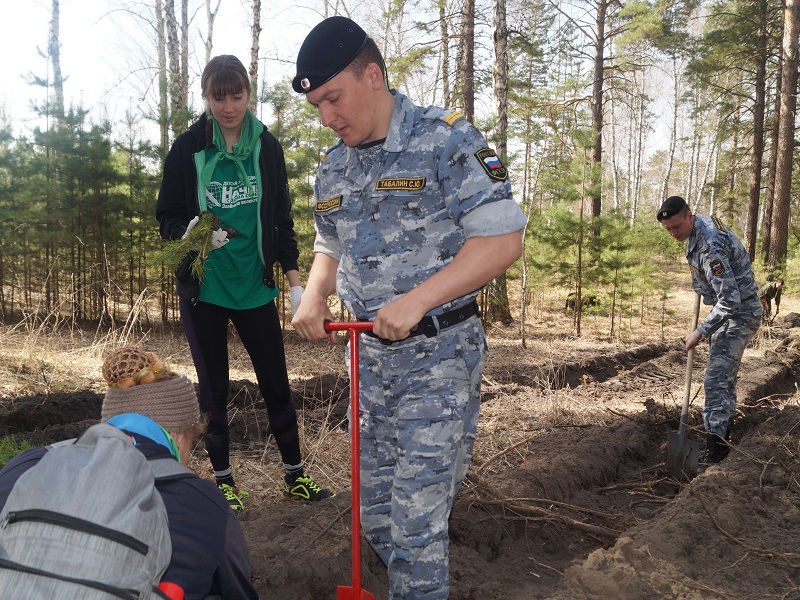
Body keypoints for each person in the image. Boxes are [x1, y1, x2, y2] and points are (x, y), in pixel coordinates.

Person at [291, 16, 526, 600]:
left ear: (373, 75)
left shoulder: (447, 140)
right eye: (317, 106)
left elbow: (502, 240)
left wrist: (418, 301)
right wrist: (317, 293)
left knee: (418, 528)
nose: (327, 117)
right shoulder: (333, 165)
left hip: (440, 359)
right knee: (376, 518)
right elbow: (330, 244)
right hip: (368, 366)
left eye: (333, 99)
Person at [156, 54, 333, 509]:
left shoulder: (266, 147)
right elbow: (168, 218)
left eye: (237, 95)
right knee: (213, 389)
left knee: (276, 381)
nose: (229, 106)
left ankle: (295, 475)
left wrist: (296, 285)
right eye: (219, 97)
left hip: (254, 287)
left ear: (248, 95)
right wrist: (193, 232)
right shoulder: (188, 148)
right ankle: (225, 483)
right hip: (206, 290)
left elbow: (279, 220)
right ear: (207, 97)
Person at [0, 347, 260, 600]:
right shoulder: (205, 504)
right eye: (191, 441)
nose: (188, 456)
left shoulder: (29, 464)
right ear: (179, 435)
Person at [657, 195, 762, 466]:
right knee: (723, 380)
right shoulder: (697, 230)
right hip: (729, 310)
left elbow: (730, 298)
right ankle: (722, 437)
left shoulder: (710, 245)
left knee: (716, 381)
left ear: (690, 216)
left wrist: (700, 331)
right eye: (668, 230)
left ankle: (716, 451)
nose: (673, 233)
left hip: (739, 313)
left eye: (677, 227)